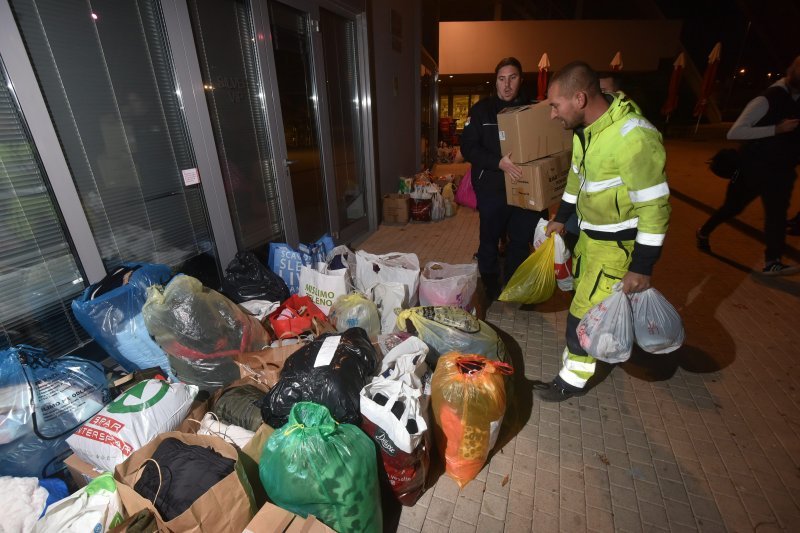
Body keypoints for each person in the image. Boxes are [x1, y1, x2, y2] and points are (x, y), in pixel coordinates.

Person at [536, 61, 671, 402]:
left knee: (582, 314)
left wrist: (642, 266)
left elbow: (655, 208)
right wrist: (561, 218)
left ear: (579, 98)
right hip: (590, 241)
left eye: (555, 105)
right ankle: (624, 343)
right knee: (588, 302)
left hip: (615, 249)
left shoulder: (633, 137)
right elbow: (575, 179)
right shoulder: (588, 131)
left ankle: (571, 379)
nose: (552, 114)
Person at [696, 55, 800, 274]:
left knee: (777, 216)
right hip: (752, 169)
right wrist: (776, 130)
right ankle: (704, 232)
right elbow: (734, 132)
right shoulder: (767, 99)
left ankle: (772, 262)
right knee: (732, 208)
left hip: (780, 172)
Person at [460, 57, 548, 301]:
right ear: (495, 81)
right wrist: (497, 162)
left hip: (524, 188)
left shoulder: (533, 111)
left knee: (520, 240)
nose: (507, 85)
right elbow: (468, 147)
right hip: (492, 187)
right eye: (502, 79)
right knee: (489, 239)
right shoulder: (481, 111)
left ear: (520, 80)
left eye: (513, 78)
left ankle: (513, 285)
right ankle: (489, 282)